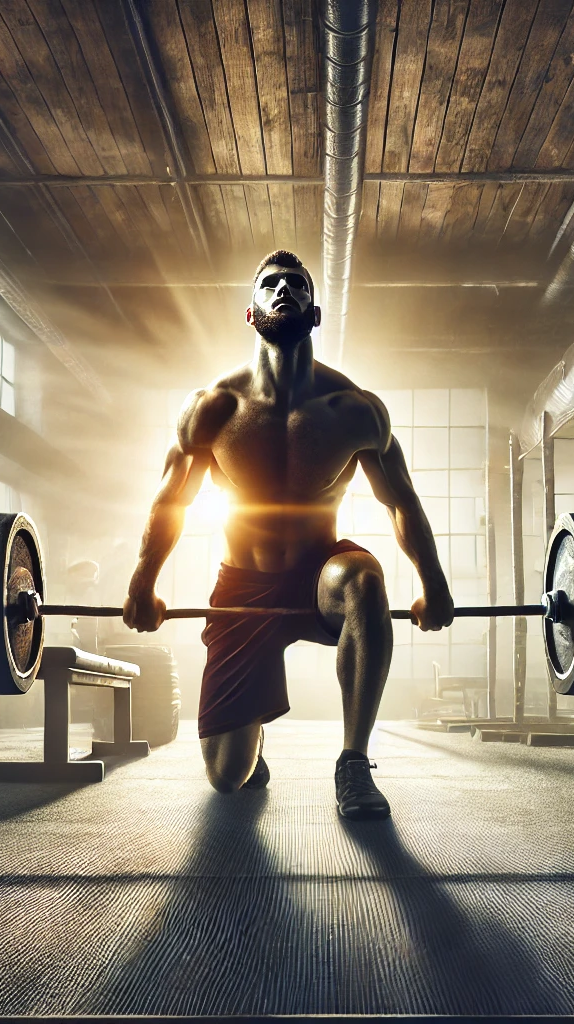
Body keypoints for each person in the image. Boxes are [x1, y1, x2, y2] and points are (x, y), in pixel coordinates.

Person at [121, 250, 453, 820]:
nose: (283, 292)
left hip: (321, 572)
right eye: (269, 285)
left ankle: (353, 763)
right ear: (250, 312)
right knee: (229, 779)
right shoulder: (212, 408)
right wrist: (142, 583)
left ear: (314, 311)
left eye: (295, 285)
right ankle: (251, 739)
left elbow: (401, 502)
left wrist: (435, 583)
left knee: (364, 581)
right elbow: (171, 501)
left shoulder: (355, 410)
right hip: (243, 585)